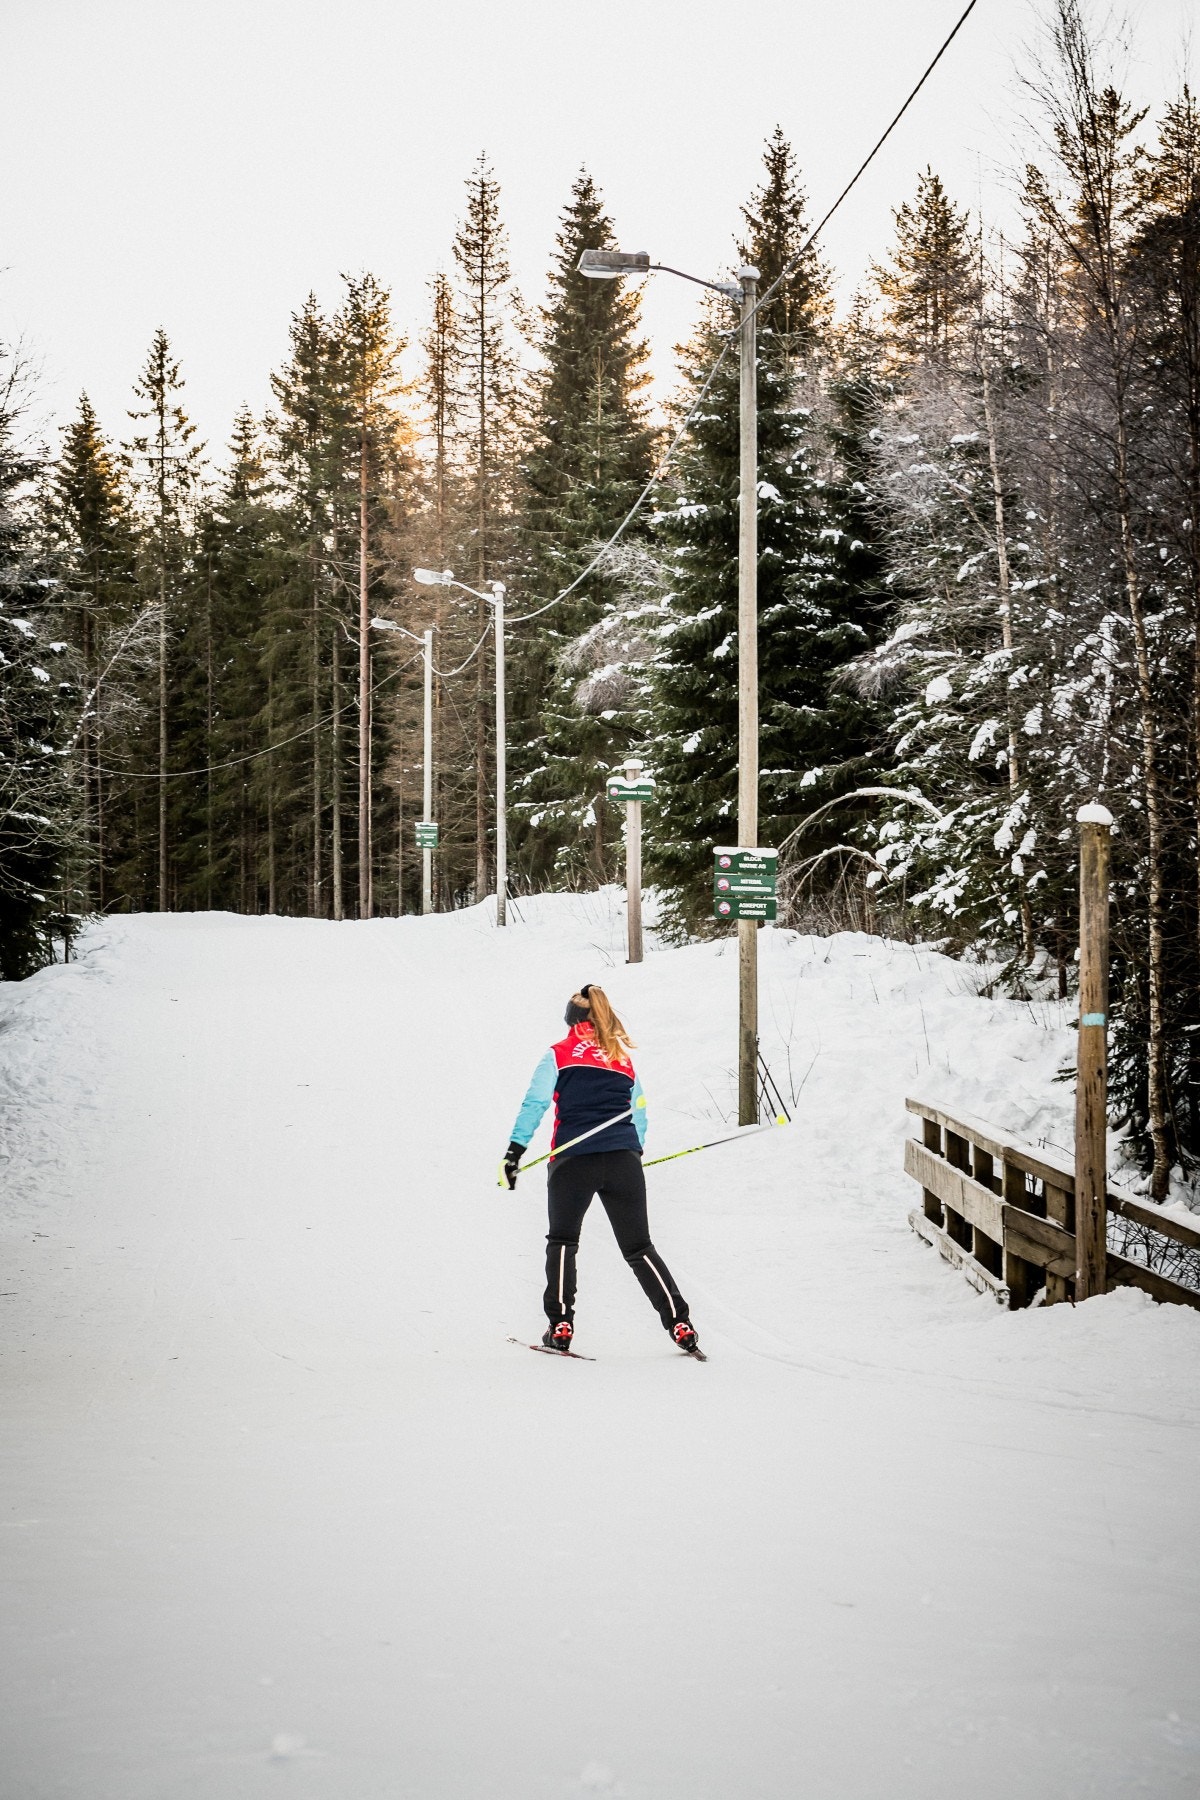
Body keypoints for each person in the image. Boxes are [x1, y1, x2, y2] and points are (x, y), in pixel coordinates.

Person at [502, 984, 700, 1356]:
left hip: (573, 1160)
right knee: (639, 1247)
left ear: (571, 1021)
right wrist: (634, 1151)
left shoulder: (558, 1054)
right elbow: (639, 1110)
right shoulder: (621, 1058)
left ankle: (560, 1325)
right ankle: (680, 1323)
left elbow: (535, 1103)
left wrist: (514, 1153)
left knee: (563, 1241)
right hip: (623, 1161)